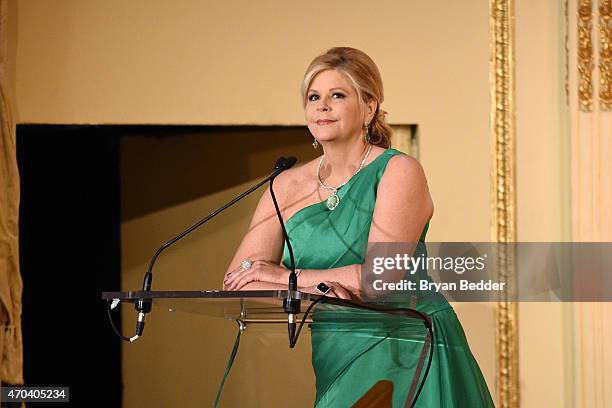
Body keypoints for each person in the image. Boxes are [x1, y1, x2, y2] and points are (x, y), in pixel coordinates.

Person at [223, 47, 494, 407]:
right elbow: (238, 278)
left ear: (369, 107)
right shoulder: (284, 184)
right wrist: (316, 284)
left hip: (409, 344)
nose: (322, 106)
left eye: (337, 95)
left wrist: (286, 277)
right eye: (313, 97)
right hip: (336, 344)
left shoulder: (399, 171)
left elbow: (379, 279)